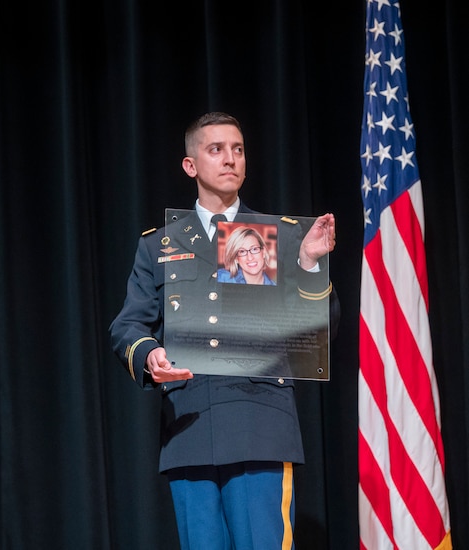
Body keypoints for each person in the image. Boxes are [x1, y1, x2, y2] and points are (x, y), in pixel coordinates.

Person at [109, 112, 339, 549]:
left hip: (260, 426)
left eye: (238, 149)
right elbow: (129, 325)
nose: (230, 159)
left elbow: (321, 330)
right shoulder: (159, 244)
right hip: (190, 428)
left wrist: (310, 264)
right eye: (216, 149)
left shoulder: (285, 237)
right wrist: (150, 355)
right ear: (190, 165)